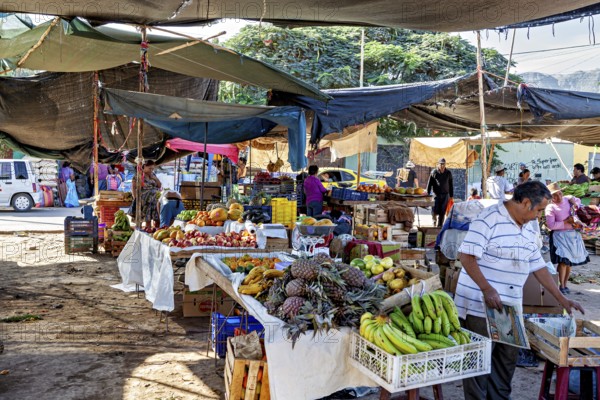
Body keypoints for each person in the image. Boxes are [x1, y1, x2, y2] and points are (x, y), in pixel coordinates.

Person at [457, 181, 584, 400]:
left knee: (505, 360)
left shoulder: (529, 225)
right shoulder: (488, 219)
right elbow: (466, 256)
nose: (540, 215)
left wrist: (561, 298)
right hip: (479, 304)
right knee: (478, 363)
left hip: (509, 306)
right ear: (525, 203)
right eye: (539, 210)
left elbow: (538, 265)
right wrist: (487, 289)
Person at [545, 182, 590, 294]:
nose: (558, 197)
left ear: (562, 192)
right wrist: (566, 222)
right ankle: (561, 285)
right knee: (563, 262)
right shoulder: (550, 208)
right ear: (551, 197)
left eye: (559, 193)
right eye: (554, 195)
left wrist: (574, 201)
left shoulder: (567, 200)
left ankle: (565, 284)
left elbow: (578, 203)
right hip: (560, 237)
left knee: (569, 262)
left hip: (572, 235)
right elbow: (551, 225)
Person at [131, 160, 162, 227]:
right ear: (144, 166)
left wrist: (155, 179)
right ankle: (143, 228)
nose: (151, 170)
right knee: (146, 215)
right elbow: (133, 187)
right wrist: (135, 198)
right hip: (144, 199)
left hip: (154, 199)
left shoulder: (153, 175)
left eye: (152, 169)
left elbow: (159, 186)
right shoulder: (138, 175)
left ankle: (153, 228)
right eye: (150, 168)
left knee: (155, 213)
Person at [426, 158, 453, 227]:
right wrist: (427, 194)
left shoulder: (448, 173)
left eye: (443, 164)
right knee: (434, 209)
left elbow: (451, 184)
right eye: (441, 164)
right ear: (438, 164)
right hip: (436, 195)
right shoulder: (434, 172)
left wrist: (451, 196)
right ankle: (434, 221)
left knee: (442, 211)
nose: (442, 166)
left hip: (445, 195)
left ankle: (440, 226)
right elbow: (429, 184)